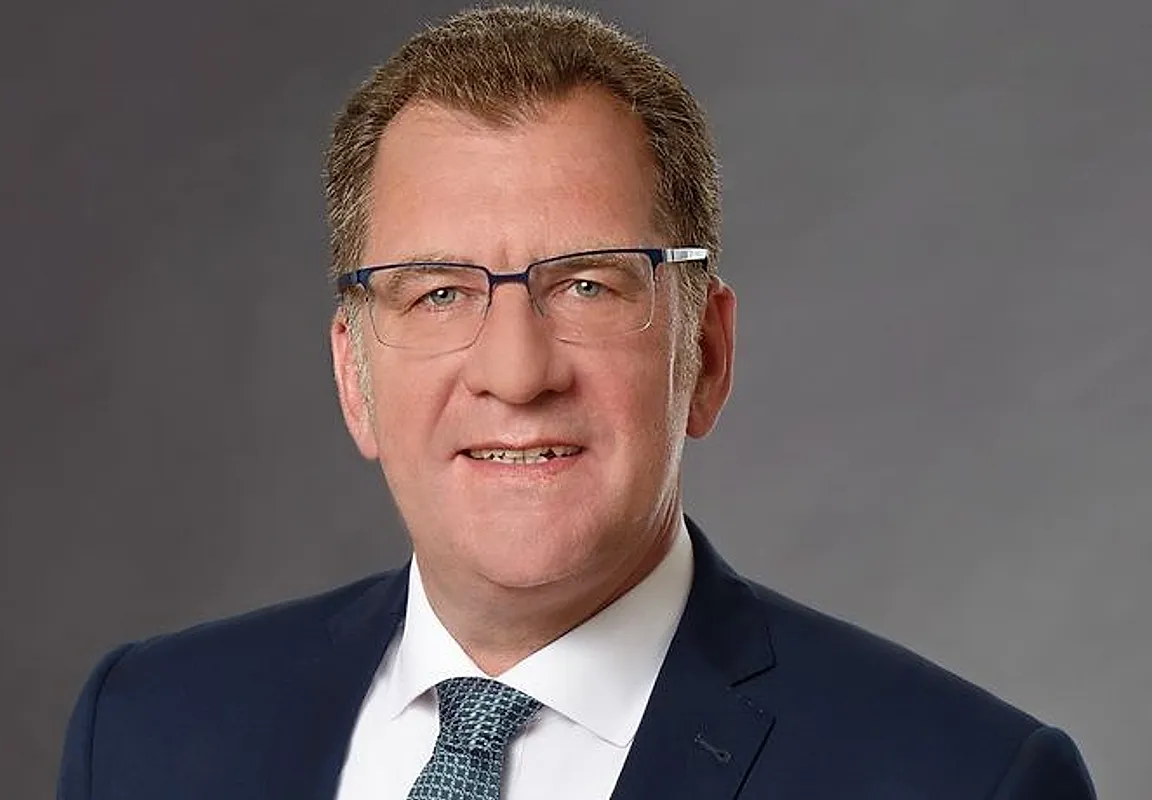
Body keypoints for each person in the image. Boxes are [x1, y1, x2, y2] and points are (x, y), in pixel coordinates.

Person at [58, 5, 1096, 799]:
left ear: (707, 354)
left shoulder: (963, 778)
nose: (517, 373)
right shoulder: (147, 730)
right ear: (352, 376)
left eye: (589, 285)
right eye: (438, 292)